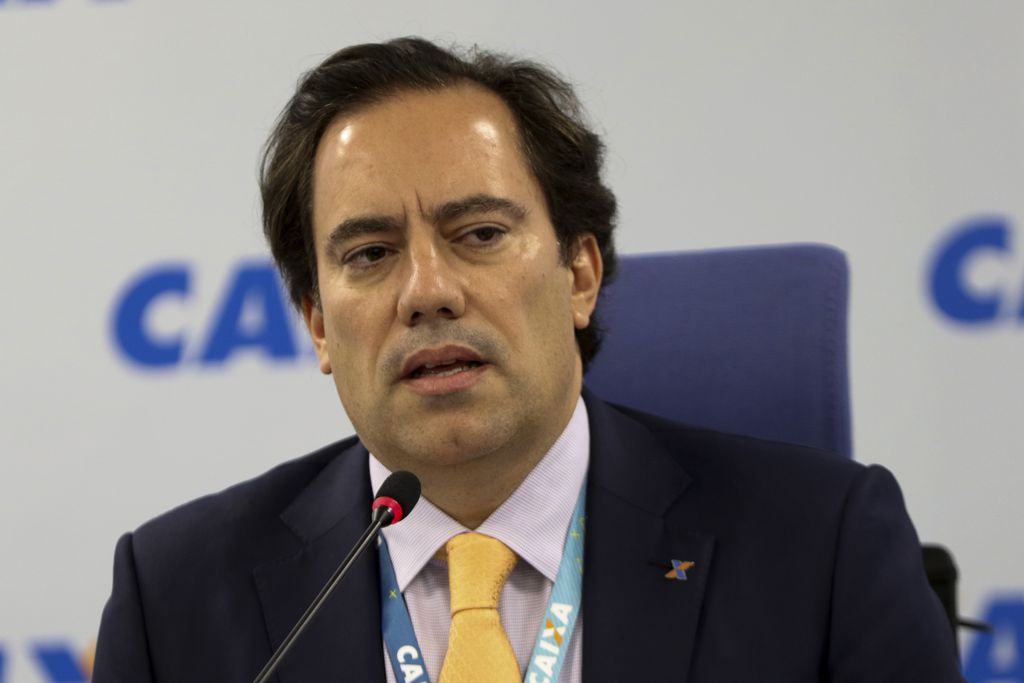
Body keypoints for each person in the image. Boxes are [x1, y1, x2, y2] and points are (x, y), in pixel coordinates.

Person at [93, 37, 964, 682]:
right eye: (370, 254)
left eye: (478, 233)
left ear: (580, 275)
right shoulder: (174, 600)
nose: (427, 291)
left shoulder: (821, 549)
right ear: (318, 324)